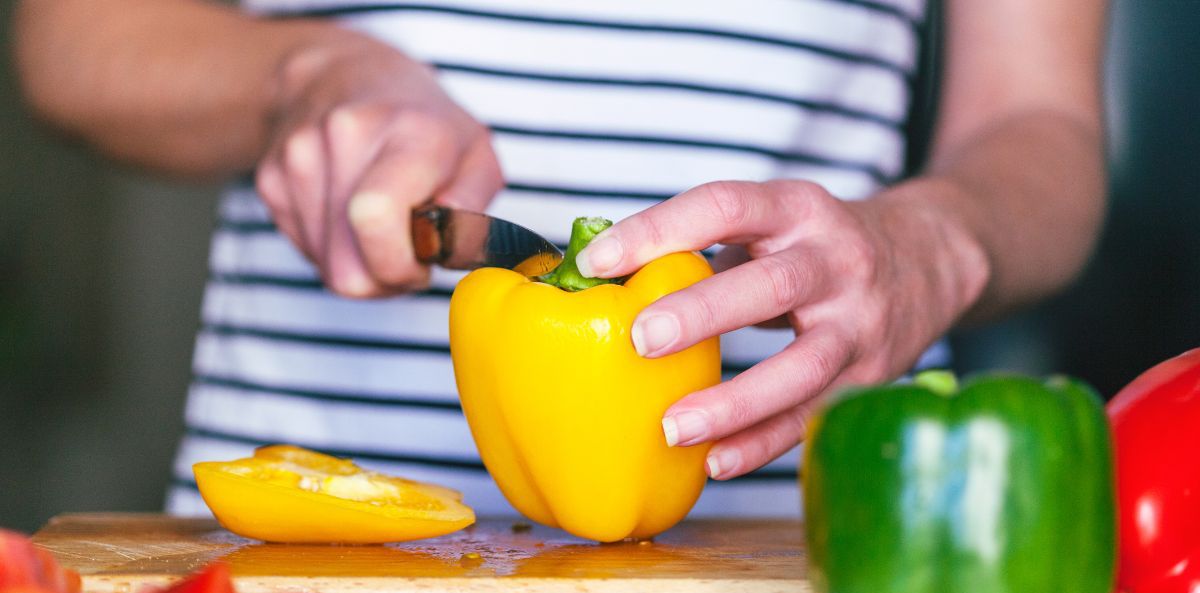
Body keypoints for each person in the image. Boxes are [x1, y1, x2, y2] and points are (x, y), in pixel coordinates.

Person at [13, 0, 1107, 517]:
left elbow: (1041, 122)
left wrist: (931, 241)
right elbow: (73, 40)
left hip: (814, 565)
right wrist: (302, 73)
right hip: (309, 555)